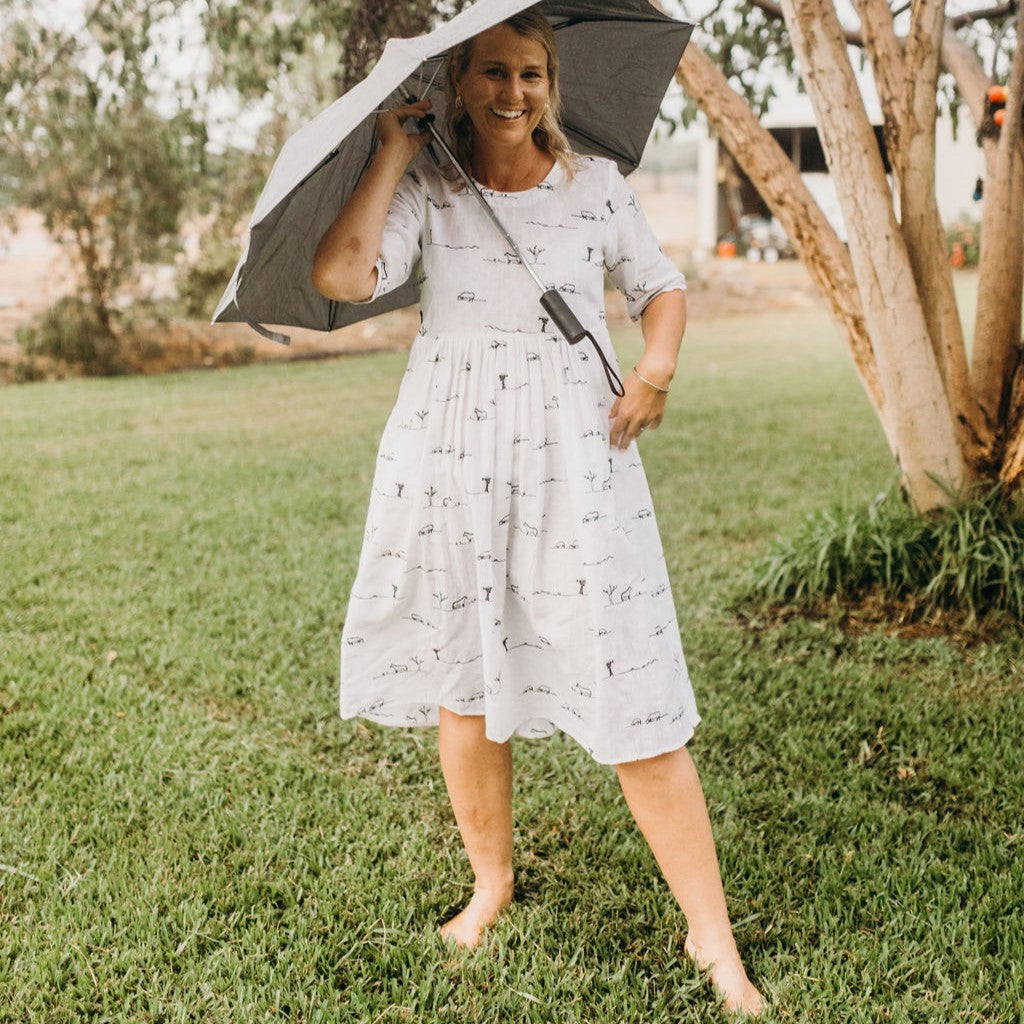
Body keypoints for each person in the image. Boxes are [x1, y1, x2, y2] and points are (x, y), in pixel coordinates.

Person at [312, 11, 764, 1017]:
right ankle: (492, 881)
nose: (511, 91)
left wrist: (656, 368)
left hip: (573, 457)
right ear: (459, 84)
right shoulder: (428, 187)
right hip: (450, 454)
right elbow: (341, 278)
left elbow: (663, 289)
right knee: (466, 679)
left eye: (527, 72)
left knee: (630, 680)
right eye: (490, 73)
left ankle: (711, 933)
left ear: (547, 81)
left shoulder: (594, 187)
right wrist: (391, 151)